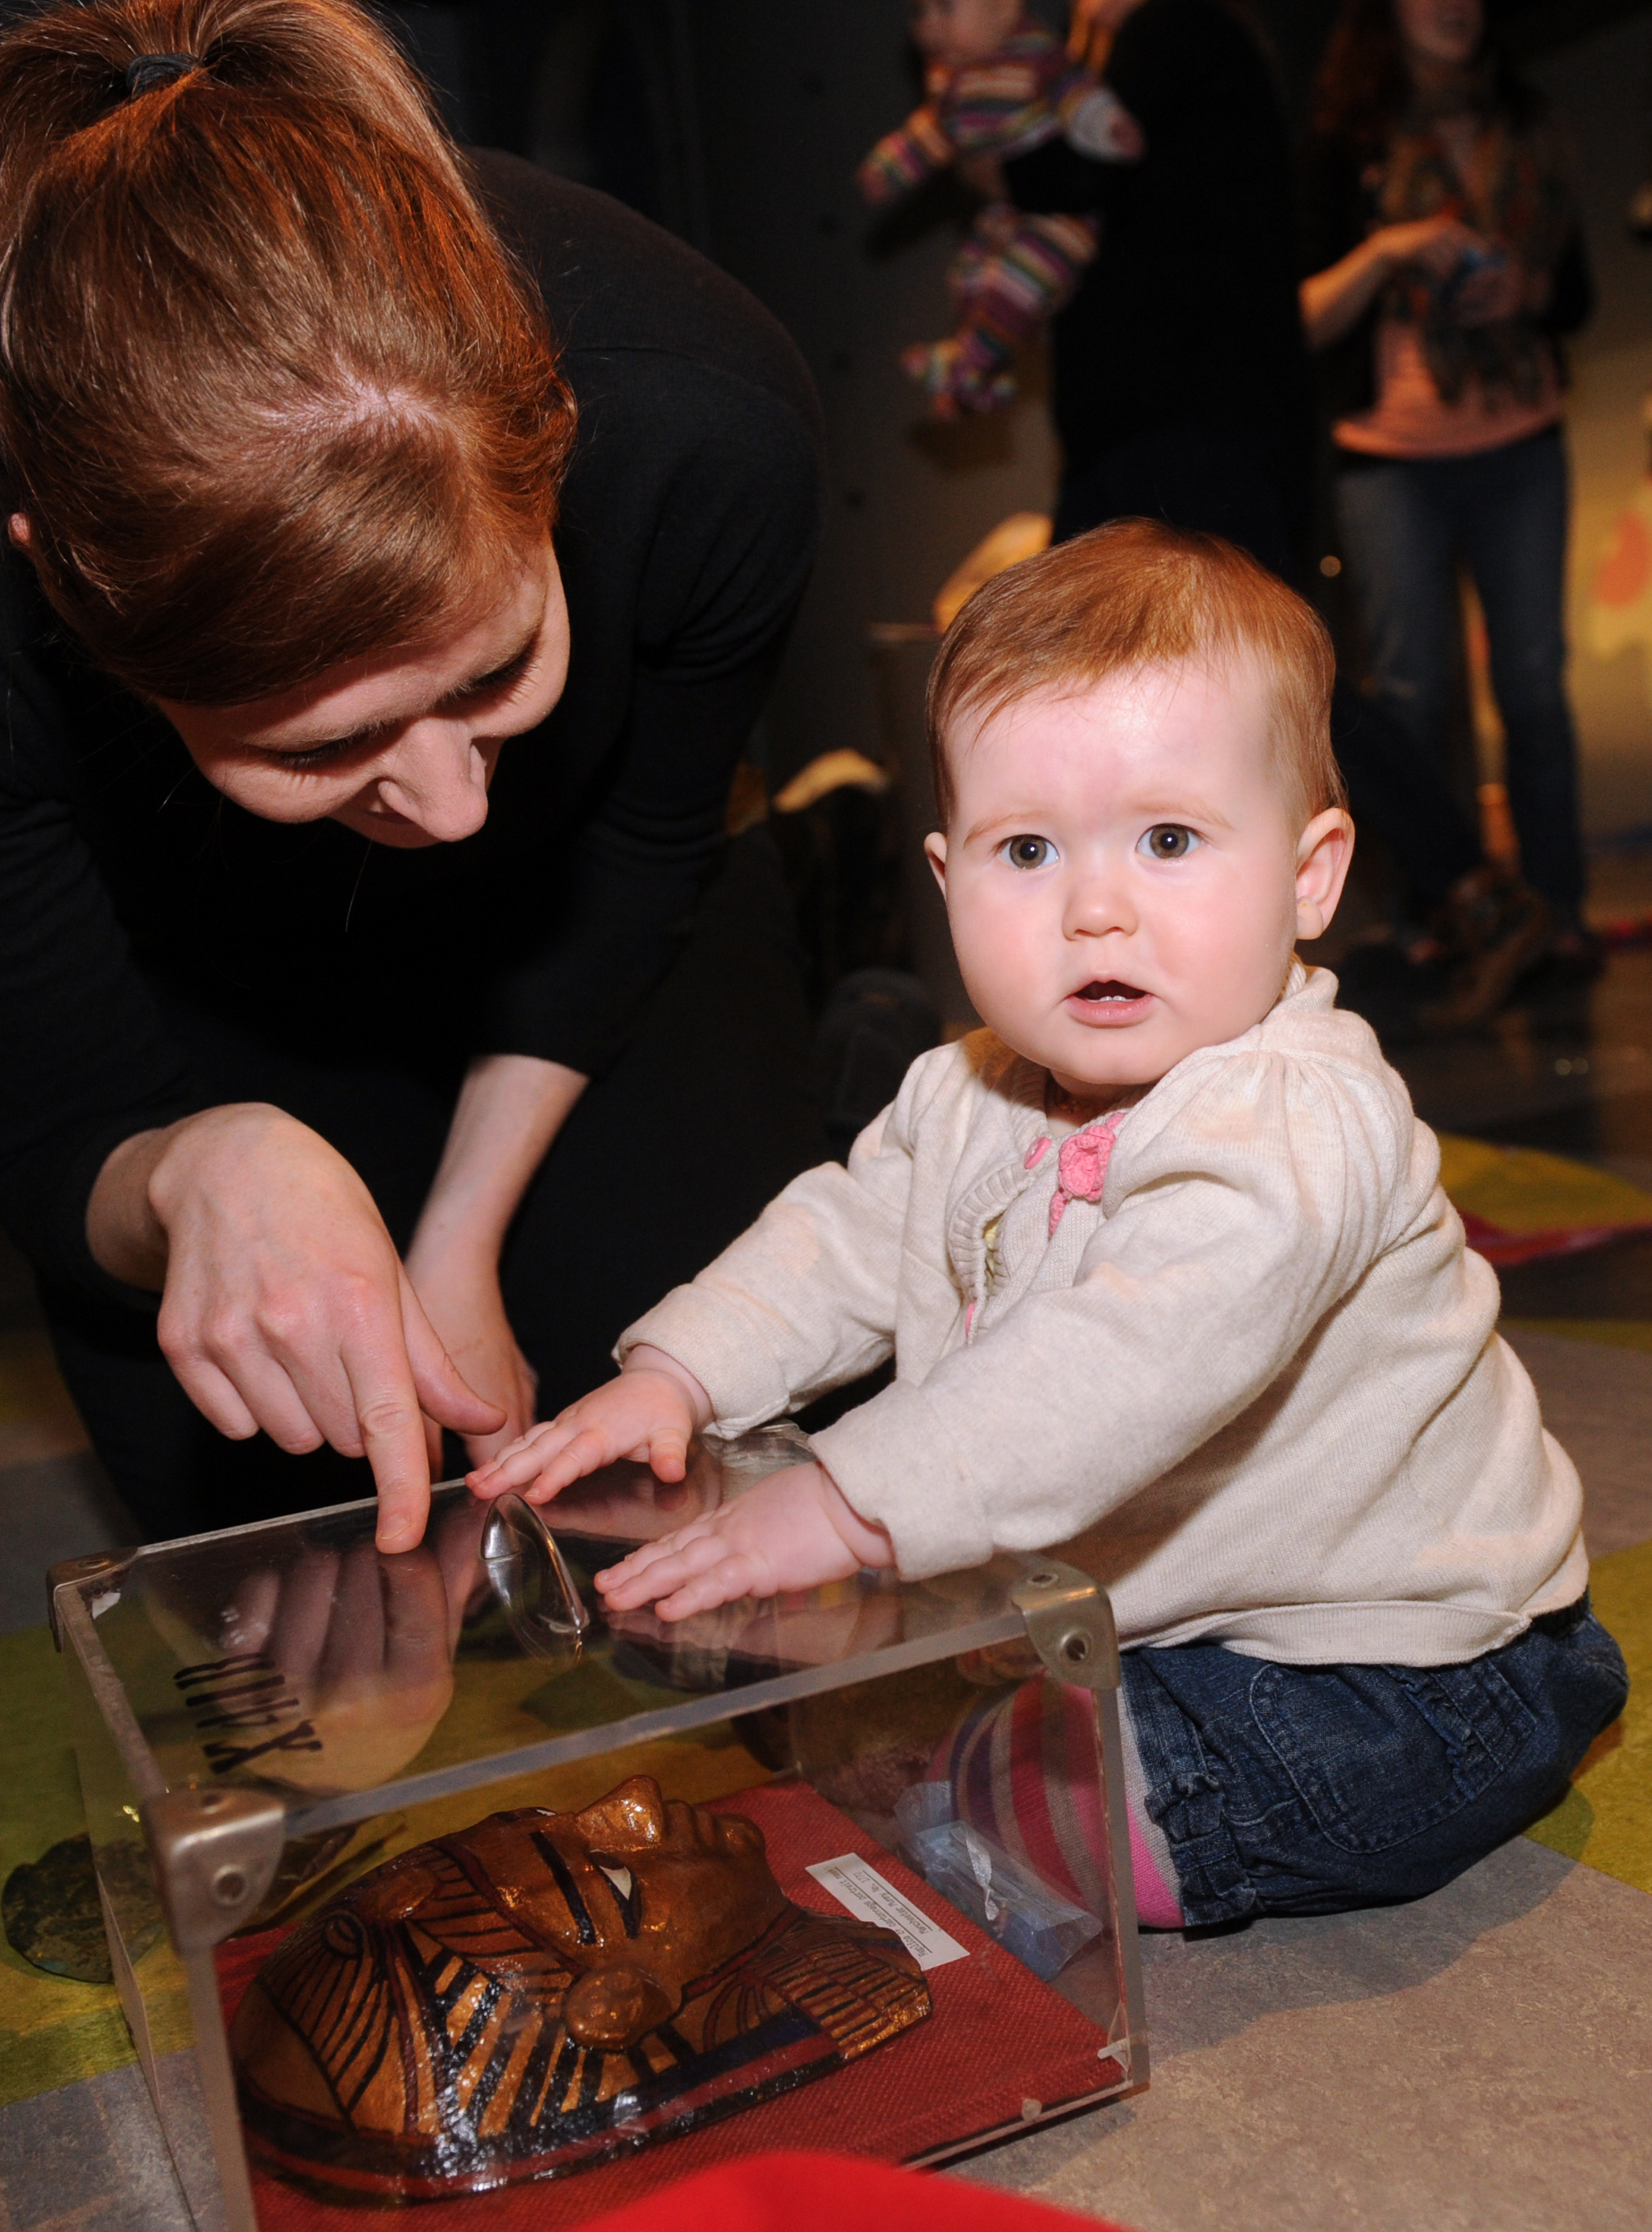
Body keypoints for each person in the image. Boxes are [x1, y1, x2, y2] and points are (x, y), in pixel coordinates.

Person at [473, 523, 1626, 1928]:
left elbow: (1123, 1362)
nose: (1095, 909)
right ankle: (1003, 1742)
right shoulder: (966, 1086)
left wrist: (844, 1500)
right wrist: (681, 1374)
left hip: (1405, 1657)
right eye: (1027, 849)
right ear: (946, 878)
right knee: (948, 1703)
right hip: (1162, 1606)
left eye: (1168, 840)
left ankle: (1044, 1781)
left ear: (1309, 875)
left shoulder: (1297, 1114)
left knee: (1118, 1805)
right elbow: (845, 1234)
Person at [0, 0, 827, 1550]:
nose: (453, 808)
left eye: (493, 675)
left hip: (597, 936)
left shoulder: (705, 414)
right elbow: (52, 1122)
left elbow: (649, 842)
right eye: (321, 746)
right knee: (307, 1595)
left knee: (735, 1467)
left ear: (555, 435)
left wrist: (458, 1232)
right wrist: (192, 1169)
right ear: (62, 595)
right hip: (183, 984)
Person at [1300, 0, 1595, 973]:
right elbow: (1297, 312)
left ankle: (1554, 915)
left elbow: (1575, 291)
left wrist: (1526, 292)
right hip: (1388, 454)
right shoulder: (1345, 144)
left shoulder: (1528, 119)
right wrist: (1388, 249)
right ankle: (1438, 918)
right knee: (1411, 695)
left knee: (1533, 687)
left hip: (1519, 435)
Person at [855, 0, 1137, 419]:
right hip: (1009, 217)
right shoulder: (953, 82)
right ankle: (986, 384)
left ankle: (968, 365)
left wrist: (1109, 127)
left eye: (945, 8)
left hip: (1061, 224)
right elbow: (931, 132)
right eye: (919, 12)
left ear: (1004, 9)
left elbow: (1078, 95)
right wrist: (890, 167)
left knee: (1014, 283)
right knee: (970, 278)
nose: (929, 25)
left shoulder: (1035, 56)